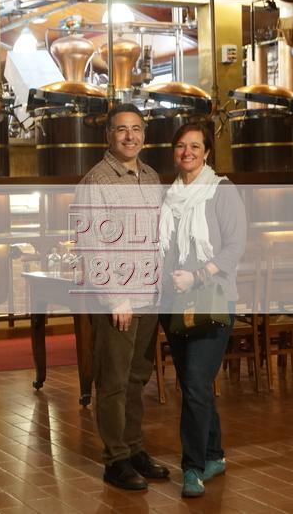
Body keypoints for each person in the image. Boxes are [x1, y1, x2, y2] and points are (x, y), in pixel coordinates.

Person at [75, 103, 169, 490]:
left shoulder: (151, 176)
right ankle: (115, 460)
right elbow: (92, 245)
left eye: (136, 129)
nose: (130, 136)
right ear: (108, 136)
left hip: (151, 294)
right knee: (113, 382)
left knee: (137, 379)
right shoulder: (96, 181)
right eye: (121, 130)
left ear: (144, 135)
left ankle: (134, 449)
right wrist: (115, 297)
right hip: (120, 300)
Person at [158, 123, 246, 498]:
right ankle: (214, 454)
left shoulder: (221, 190)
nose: (187, 152)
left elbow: (235, 246)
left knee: (195, 381)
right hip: (172, 301)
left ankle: (192, 467)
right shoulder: (169, 196)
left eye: (195, 146)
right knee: (194, 384)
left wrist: (197, 276)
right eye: (181, 146)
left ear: (207, 152)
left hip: (212, 298)